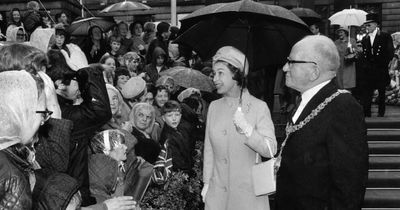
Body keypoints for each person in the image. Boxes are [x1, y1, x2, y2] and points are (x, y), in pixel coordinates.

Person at [275, 35, 368, 210]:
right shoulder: (304, 101)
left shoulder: (343, 107)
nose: (285, 67)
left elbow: (349, 187)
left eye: (291, 62)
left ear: (314, 71)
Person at [202, 46, 277, 210]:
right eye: (214, 73)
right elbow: (209, 150)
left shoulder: (259, 107)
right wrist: (207, 183)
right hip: (217, 195)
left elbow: (271, 150)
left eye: (220, 73)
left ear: (236, 75)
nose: (215, 79)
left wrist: (248, 130)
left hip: (248, 197)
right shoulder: (214, 107)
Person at [46, 62, 112, 206]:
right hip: (68, 198)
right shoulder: (63, 113)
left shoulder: (61, 107)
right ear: (60, 84)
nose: (82, 87)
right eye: (78, 80)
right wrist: (89, 71)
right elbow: (100, 110)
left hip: (68, 195)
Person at [359, 13, 394, 117]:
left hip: (380, 69)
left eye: (369, 25)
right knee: (367, 93)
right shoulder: (365, 39)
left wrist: (383, 64)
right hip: (368, 70)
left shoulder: (385, 36)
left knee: (381, 93)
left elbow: (390, 52)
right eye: (366, 25)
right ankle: (367, 113)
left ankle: (381, 114)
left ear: (375, 25)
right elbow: (365, 55)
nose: (367, 27)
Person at [160, 100, 194, 176]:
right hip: (179, 175)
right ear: (163, 118)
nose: (174, 118)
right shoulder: (167, 138)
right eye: (170, 115)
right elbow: (178, 164)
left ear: (181, 116)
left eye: (177, 115)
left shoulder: (180, 130)